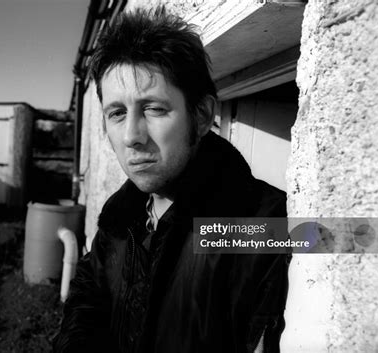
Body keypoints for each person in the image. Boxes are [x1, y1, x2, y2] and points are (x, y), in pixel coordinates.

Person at [53, 7, 290, 353]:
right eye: (117, 113)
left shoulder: (264, 225)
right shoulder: (119, 220)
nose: (132, 136)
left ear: (203, 115)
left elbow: (365, 239)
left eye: (154, 109)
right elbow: (86, 305)